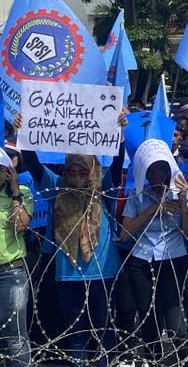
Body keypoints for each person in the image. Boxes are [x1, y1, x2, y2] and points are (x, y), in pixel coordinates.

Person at [16, 113, 127, 367]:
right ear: (65, 170)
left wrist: (119, 134)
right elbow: (32, 163)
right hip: (68, 275)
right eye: (72, 170)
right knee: (75, 337)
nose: (77, 174)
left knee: (103, 333)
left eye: (83, 170)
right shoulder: (56, 187)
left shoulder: (103, 188)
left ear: (92, 172)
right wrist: (24, 133)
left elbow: (118, 163)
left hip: (102, 274)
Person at [122, 143, 188, 362]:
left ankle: (186, 361)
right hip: (141, 260)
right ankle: (153, 360)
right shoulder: (137, 195)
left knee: (174, 320)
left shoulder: (181, 194)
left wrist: (182, 202)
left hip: (172, 260)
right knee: (148, 319)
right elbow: (126, 233)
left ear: (168, 171)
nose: (157, 174)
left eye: (161, 169)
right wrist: (154, 210)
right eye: (152, 170)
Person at [0, 151, 33, 367]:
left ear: (8, 172)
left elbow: (19, 226)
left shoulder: (23, 193)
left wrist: (13, 193)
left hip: (11, 272)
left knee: (15, 336)